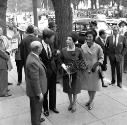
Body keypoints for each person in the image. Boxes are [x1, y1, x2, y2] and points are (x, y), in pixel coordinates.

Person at [60, 32, 84, 113]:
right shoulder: (63, 50)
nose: (67, 40)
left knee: (75, 89)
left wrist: (77, 67)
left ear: (74, 41)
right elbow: (61, 61)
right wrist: (65, 67)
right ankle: (70, 103)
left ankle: (74, 104)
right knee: (68, 89)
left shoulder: (79, 50)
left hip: (76, 73)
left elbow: (82, 60)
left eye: (69, 39)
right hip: (67, 73)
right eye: (67, 39)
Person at [25, 41, 47, 125]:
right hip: (35, 91)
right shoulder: (32, 61)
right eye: (41, 47)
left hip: (38, 89)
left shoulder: (33, 56)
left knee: (37, 107)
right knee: (35, 108)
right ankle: (35, 122)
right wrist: (39, 93)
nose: (42, 48)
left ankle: (37, 118)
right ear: (38, 49)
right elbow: (35, 79)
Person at [81, 30, 104, 110]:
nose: (88, 38)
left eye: (90, 37)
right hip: (86, 69)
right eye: (87, 36)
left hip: (95, 70)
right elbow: (81, 58)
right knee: (88, 86)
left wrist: (97, 63)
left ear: (94, 37)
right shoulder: (83, 46)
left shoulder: (98, 47)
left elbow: (101, 58)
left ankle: (91, 101)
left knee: (93, 87)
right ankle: (90, 99)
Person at [39, 29, 59, 117]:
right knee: (45, 91)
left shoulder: (50, 44)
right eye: (52, 38)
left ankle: (52, 107)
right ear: (47, 38)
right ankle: (45, 109)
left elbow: (51, 56)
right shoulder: (39, 46)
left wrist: (55, 53)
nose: (53, 39)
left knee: (53, 90)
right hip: (45, 73)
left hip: (53, 71)